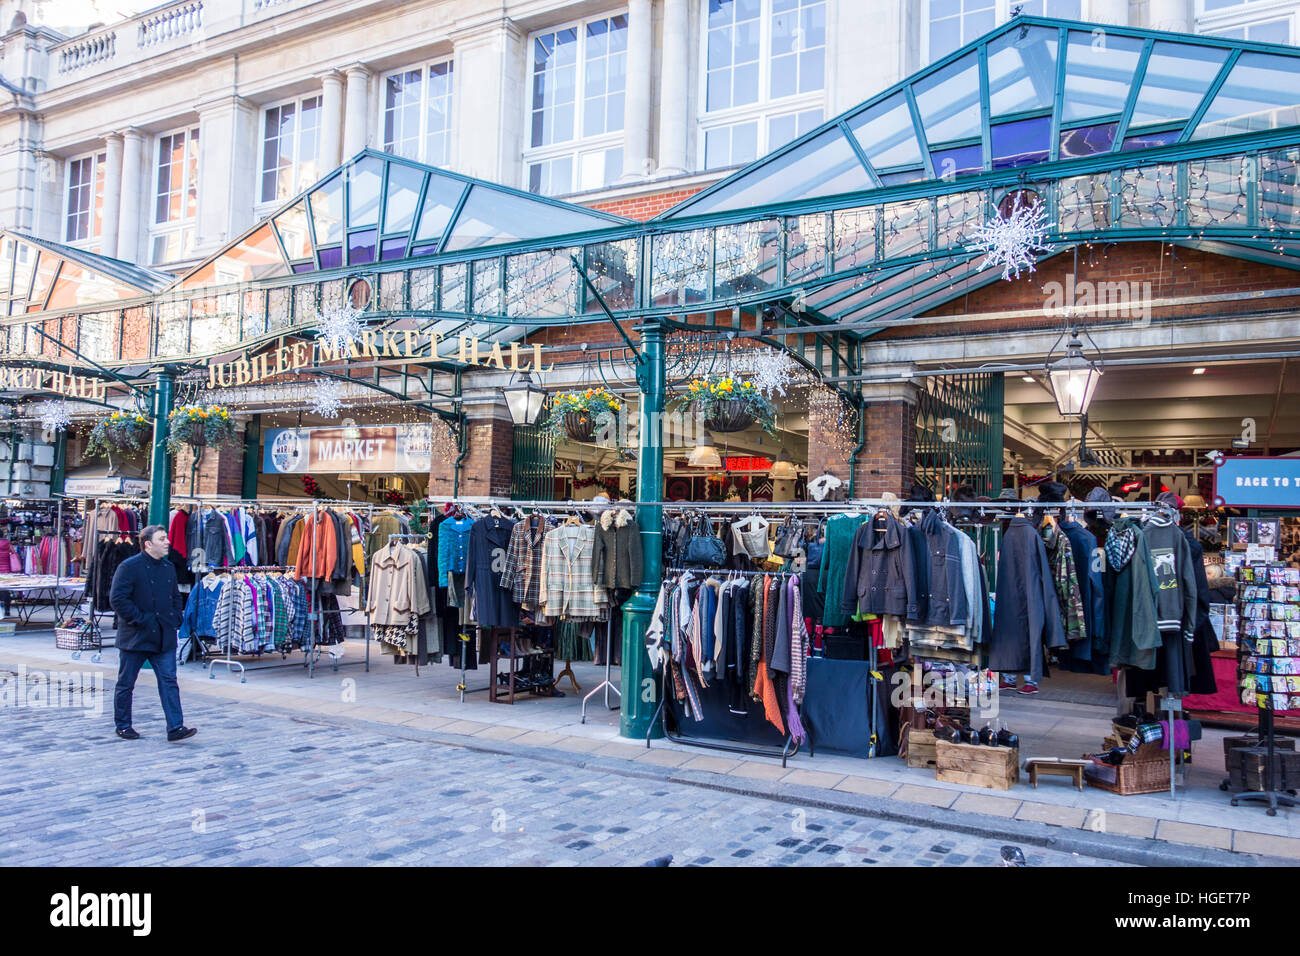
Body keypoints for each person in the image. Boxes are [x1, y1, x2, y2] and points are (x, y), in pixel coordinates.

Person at [109, 524, 196, 742]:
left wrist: (175, 617)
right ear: (148, 544)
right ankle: (123, 725)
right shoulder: (129, 567)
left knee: (169, 681)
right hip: (135, 636)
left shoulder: (168, 567)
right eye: (162, 539)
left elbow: (175, 597)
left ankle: (175, 727)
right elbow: (118, 599)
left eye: (166, 538)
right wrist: (140, 619)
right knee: (126, 683)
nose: (167, 542)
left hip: (164, 636)